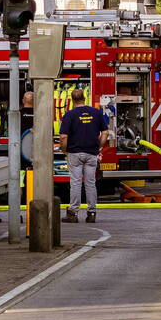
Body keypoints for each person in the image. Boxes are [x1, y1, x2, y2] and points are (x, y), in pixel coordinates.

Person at [58, 88, 108, 223]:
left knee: (75, 183)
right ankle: (91, 213)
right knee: (91, 183)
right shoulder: (96, 113)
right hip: (91, 153)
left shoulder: (69, 114)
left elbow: (63, 137)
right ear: (84, 98)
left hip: (75, 153)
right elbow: (105, 133)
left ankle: (73, 213)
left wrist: (64, 150)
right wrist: (99, 146)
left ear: (72, 100)